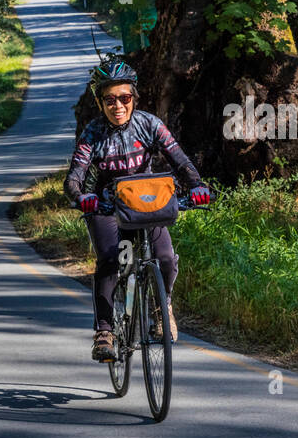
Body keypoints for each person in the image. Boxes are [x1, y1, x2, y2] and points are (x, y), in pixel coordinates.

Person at [64, 60, 211, 362]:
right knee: (109, 259)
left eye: (124, 98)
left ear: (134, 98)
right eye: (109, 99)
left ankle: (162, 307)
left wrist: (196, 186)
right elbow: (74, 177)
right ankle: (105, 331)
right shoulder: (92, 133)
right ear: (100, 102)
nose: (117, 105)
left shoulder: (150, 125)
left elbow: (180, 161)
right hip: (106, 205)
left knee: (167, 258)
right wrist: (81, 198)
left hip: (144, 202)